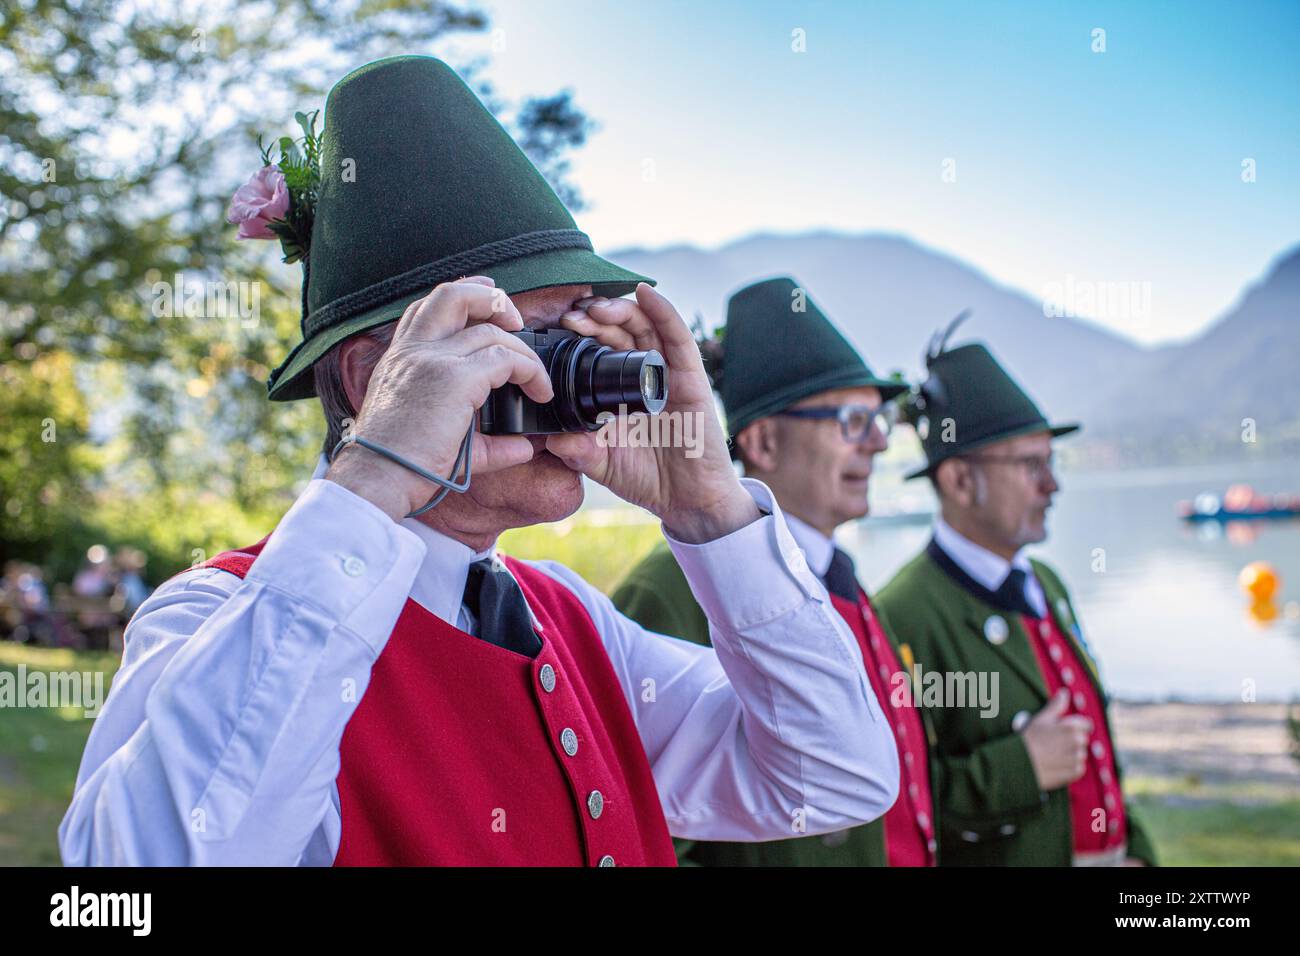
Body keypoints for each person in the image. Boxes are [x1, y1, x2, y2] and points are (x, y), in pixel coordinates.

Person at [59, 55, 898, 867]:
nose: (572, 378)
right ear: (373, 380)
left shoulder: (569, 618)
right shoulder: (215, 618)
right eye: (526, 343)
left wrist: (712, 509)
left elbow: (833, 778)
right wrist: (377, 475)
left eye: (581, 332)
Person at [614, 277, 936, 866]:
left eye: (879, 421)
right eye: (851, 422)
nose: (878, 446)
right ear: (762, 440)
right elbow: (646, 834)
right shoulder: (668, 588)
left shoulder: (845, 579)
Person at [875, 334, 1157, 866]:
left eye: (1051, 462)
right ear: (959, 480)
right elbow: (894, 807)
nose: (1052, 485)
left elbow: (1099, 745)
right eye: (1030, 465)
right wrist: (1020, 768)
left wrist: (1135, 850)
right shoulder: (903, 612)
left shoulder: (1047, 582)